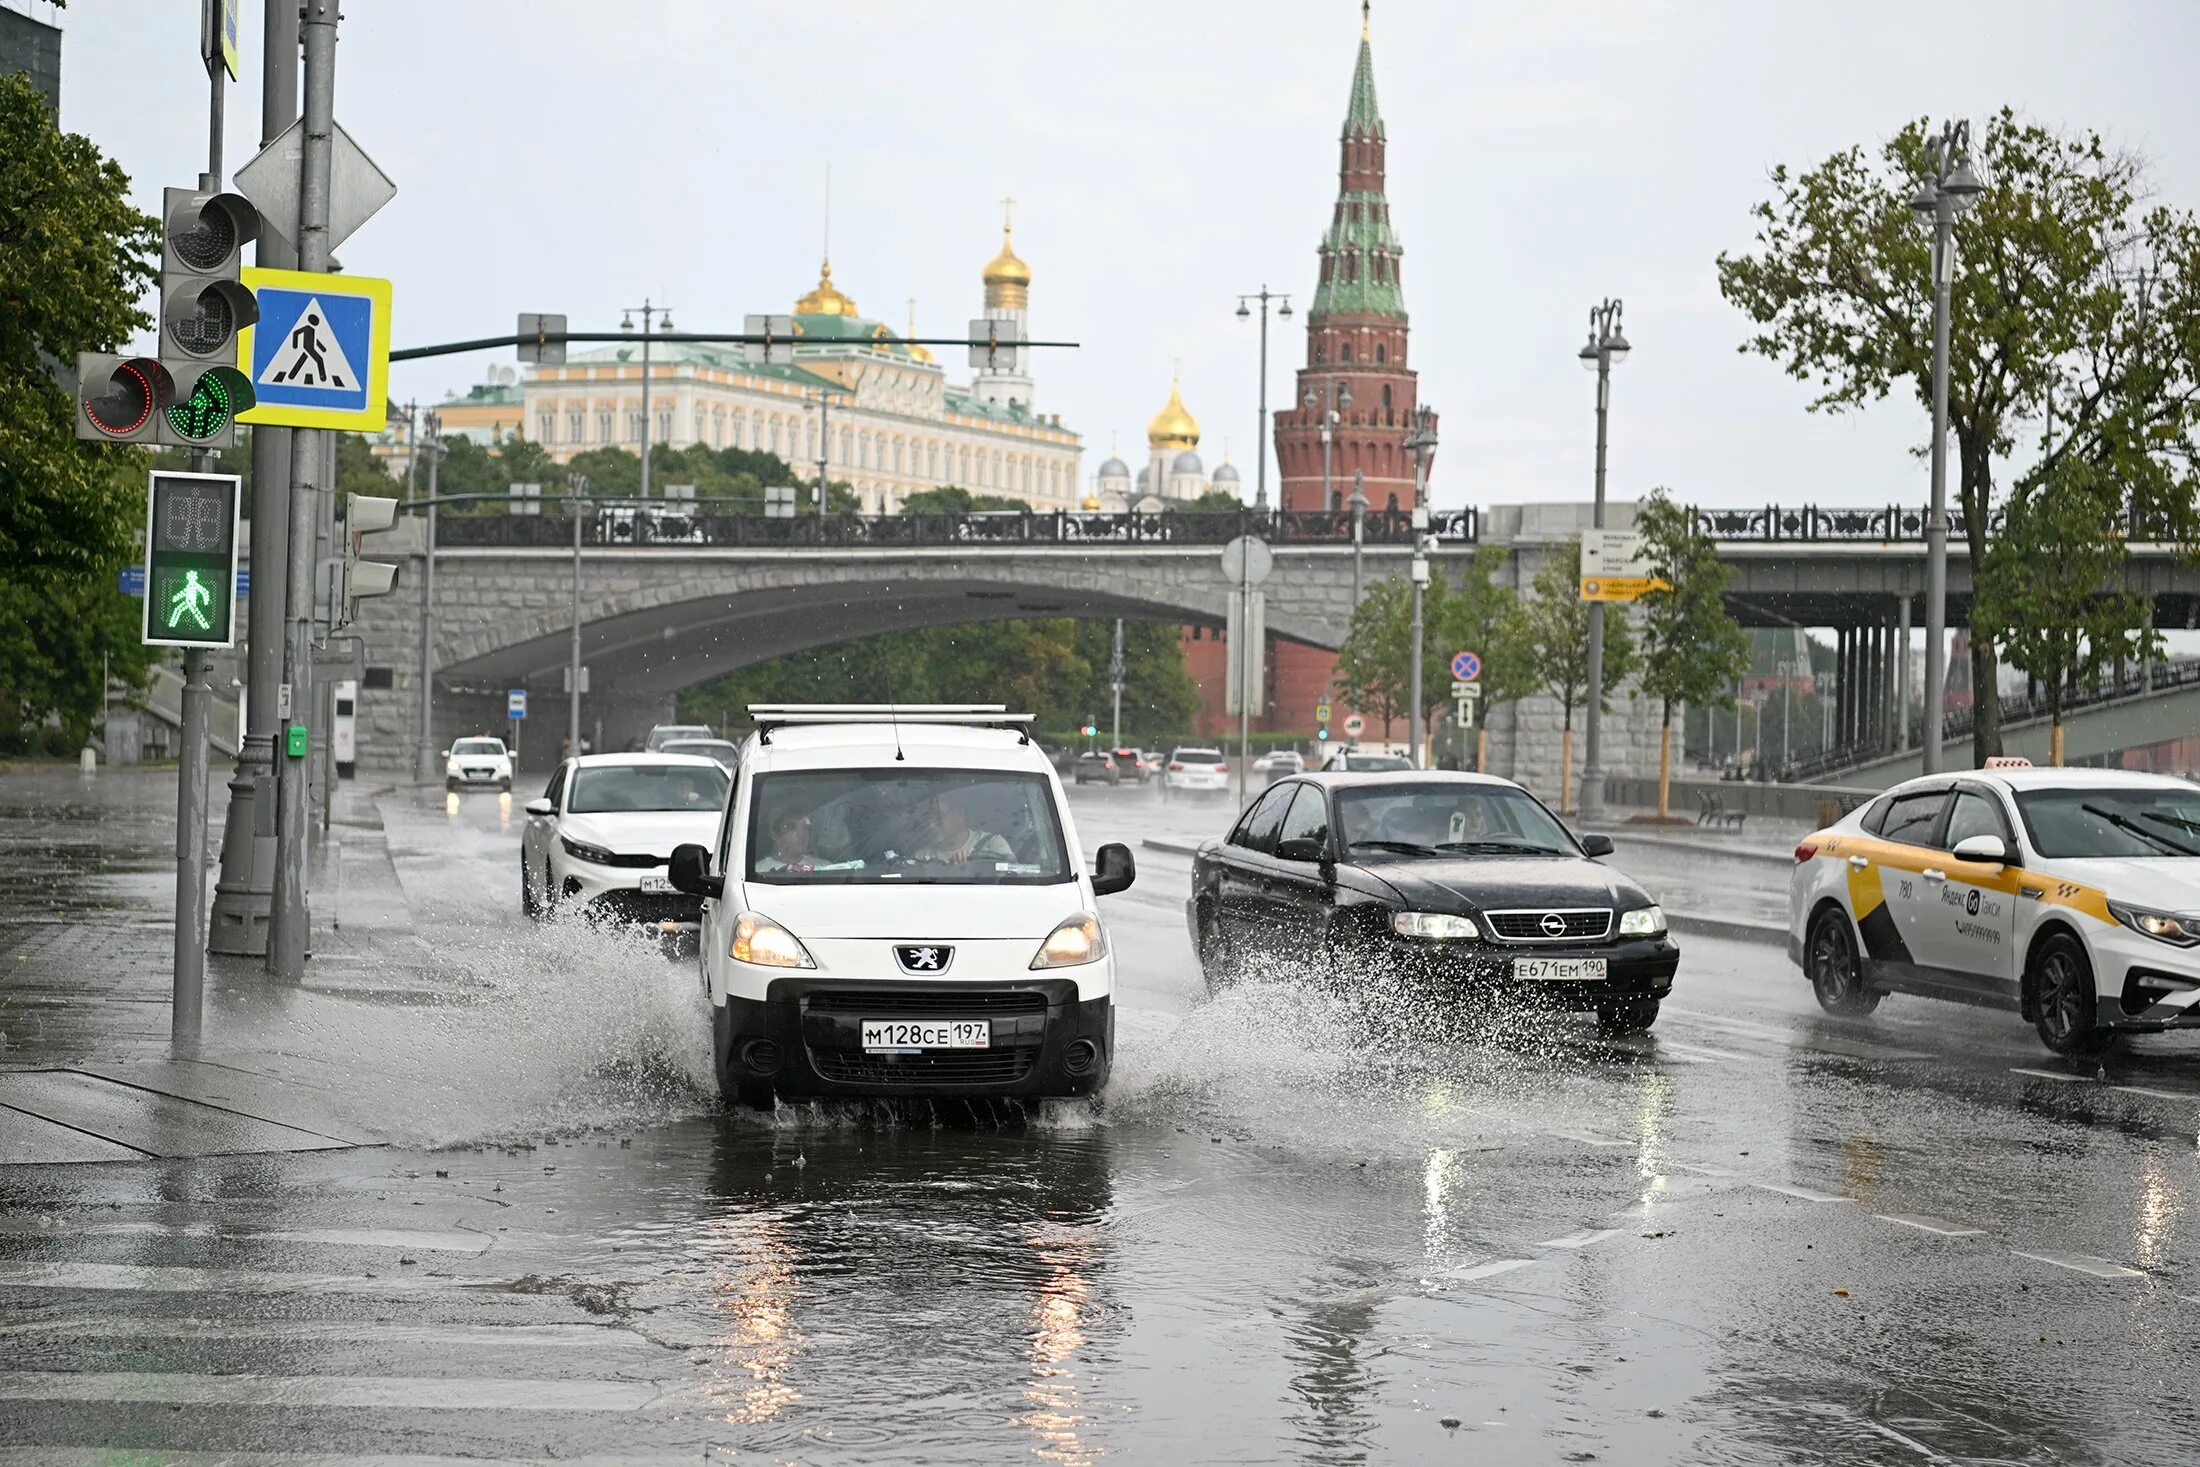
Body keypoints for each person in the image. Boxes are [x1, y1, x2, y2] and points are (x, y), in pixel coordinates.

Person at [911, 788, 1015, 865]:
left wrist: (981, 858)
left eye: (938, 816)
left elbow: (1015, 869)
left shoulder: (991, 843)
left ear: (960, 815)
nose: (931, 825)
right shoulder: (921, 857)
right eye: (927, 818)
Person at [754, 810, 818, 873]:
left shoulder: (823, 868)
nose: (802, 834)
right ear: (774, 835)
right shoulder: (758, 871)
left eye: (805, 827)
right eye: (792, 827)